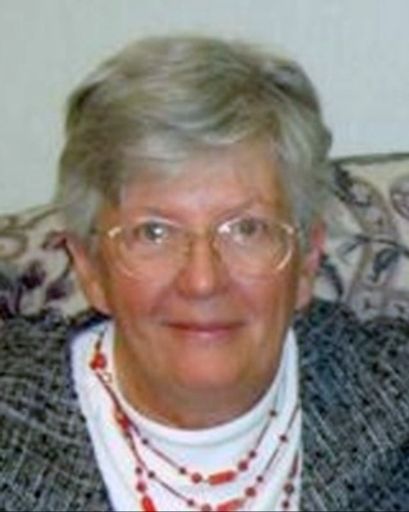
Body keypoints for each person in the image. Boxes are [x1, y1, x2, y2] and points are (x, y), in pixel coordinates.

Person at [1, 35, 409, 512]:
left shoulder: (394, 410)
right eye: (154, 232)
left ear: (305, 259)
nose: (202, 281)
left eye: (246, 229)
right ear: (90, 267)